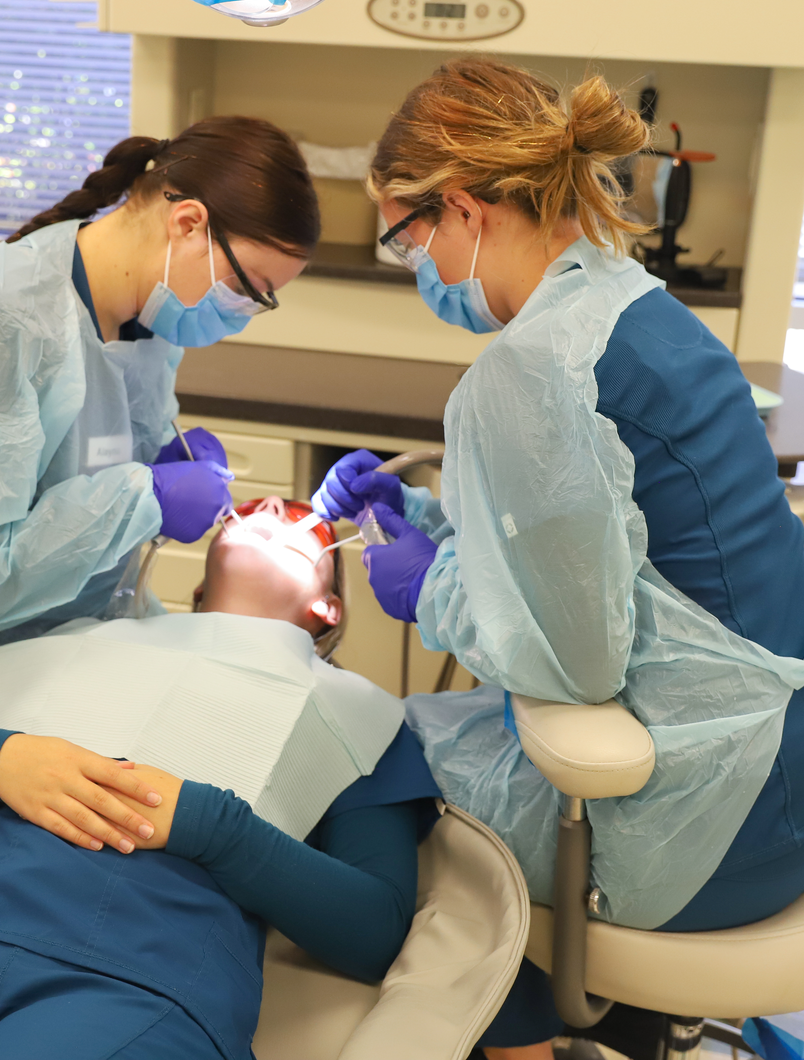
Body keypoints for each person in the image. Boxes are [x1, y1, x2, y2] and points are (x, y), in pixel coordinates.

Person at [312, 58, 804, 1060]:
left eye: (402, 235)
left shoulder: (528, 366)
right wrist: (436, 521)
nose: (407, 260)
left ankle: (513, 1040)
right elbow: (624, 564)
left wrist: (429, 588)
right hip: (779, 779)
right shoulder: (632, 307)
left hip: (698, 826)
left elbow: (574, 662)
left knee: (359, 757)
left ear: (459, 208)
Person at [0, 499, 439, 1060]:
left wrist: (209, 826)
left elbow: (374, 931)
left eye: (301, 523)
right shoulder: (69, 645)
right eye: (250, 508)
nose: (273, 511)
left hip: (135, 983)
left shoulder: (357, 715)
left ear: (327, 611)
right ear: (197, 583)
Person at [0, 116, 320, 855]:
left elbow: (91, 445)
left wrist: (153, 465)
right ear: (188, 223)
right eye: (251, 291)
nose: (242, 316)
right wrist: (138, 500)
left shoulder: (143, 315)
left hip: (67, 645)